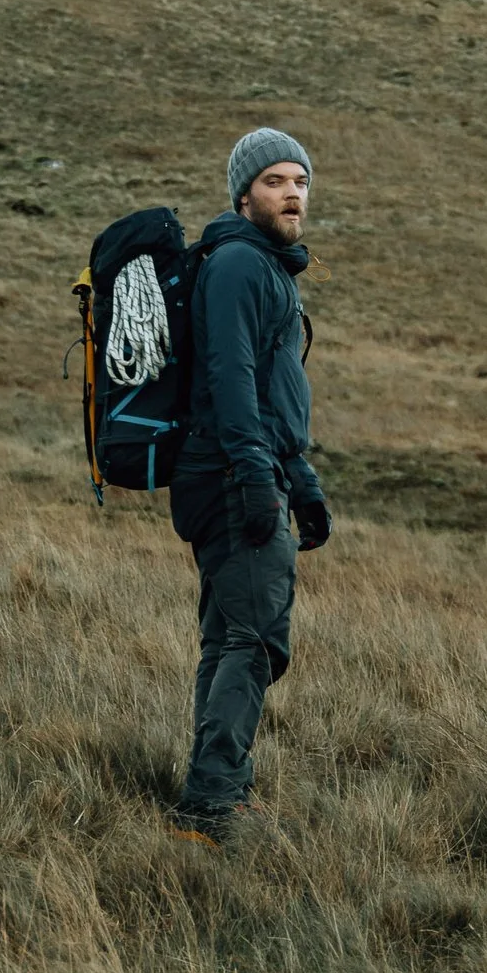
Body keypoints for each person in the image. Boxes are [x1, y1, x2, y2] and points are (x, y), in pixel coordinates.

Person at [167, 130, 330, 846]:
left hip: (247, 469)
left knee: (230, 639)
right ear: (243, 195)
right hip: (233, 476)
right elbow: (230, 381)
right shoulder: (238, 264)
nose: (292, 193)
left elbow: (273, 394)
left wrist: (305, 483)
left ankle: (214, 790)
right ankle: (212, 803)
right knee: (255, 642)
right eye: (274, 181)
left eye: (299, 181)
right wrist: (260, 478)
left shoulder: (269, 270)